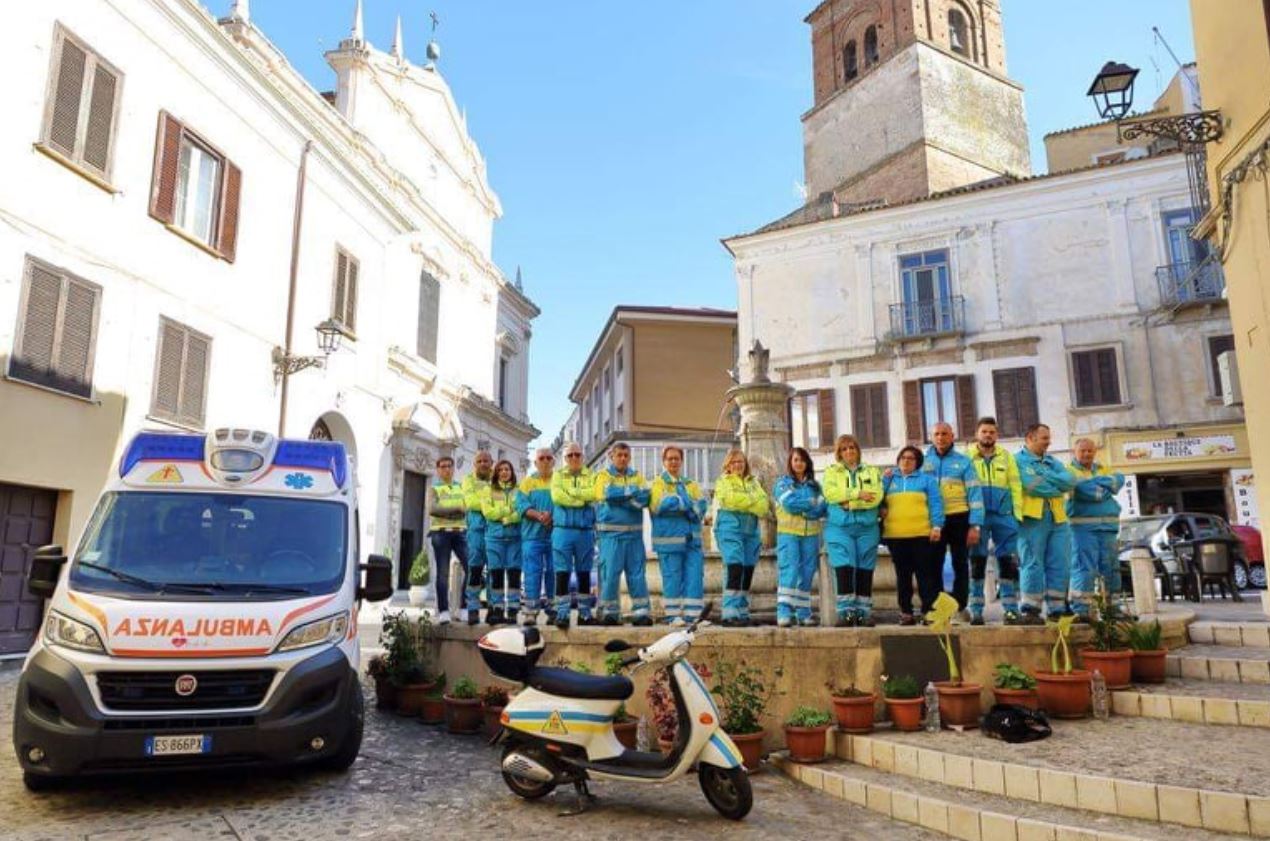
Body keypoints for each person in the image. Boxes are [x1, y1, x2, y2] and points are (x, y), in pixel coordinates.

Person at [1015, 423, 1078, 622]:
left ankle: (1057, 608)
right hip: (1032, 519)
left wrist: (1045, 476)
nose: (1049, 442)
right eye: (1044, 438)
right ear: (1030, 438)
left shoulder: (1052, 461)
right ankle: (1030, 609)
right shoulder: (1018, 461)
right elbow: (1033, 487)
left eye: (1049, 438)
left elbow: (1071, 481)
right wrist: (1057, 484)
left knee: (1060, 563)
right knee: (1032, 563)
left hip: (1058, 518)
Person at [923, 422, 984, 618]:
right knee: (933, 564)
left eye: (944, 434)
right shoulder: (923, 461)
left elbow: (975, 494)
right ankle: (938, 607)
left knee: (960, 564)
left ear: (952, 436)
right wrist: (890, 475)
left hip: (959, 518)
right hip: (934, 520)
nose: (940, 437)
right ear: (931, 437)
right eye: (936, 434)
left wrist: (975, 526)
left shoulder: (964, 462)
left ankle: (959, 606)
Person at [822, 434, 884, 626]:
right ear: (839, 453)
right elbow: (831, 494)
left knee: (866, 568)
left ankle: (864, 614)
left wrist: (850, 504)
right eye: (844, 449)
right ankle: (846, 614)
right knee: (844, 567)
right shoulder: (831, 472)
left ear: (858, 450)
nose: (849, 451)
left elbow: (876, 496)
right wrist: (858, 494)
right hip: (839, 528)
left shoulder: (872, 471)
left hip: (867, 527)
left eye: (852, 447)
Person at [967, 417, 1024, 625]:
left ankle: (1011, 610)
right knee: (977, 561)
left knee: (1008, 562)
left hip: (1004, 516)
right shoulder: (966, 457)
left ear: (996, 435)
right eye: (984, 431)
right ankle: (976, 610)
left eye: (992, 432)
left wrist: (1017, 515)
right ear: (977, 434)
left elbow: (1015, 485)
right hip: (978, 517)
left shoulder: (1006, 457)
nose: (988, 435)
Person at [881, 445, 944, 625]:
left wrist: (937, 526)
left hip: (921, 535)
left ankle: (928, 612)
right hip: (896, 536)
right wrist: (881, 506)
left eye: (911, 458)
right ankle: (906, 612)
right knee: (903, 577)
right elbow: (877, 499)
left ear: (918, 462)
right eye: (903, 458)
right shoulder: (889, 479)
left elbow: (936, 504)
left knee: (925, 575)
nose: (906, 461)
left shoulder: (927, 480)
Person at [649, 446, 708, 625]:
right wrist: (687, 503)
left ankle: (694, 616)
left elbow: (702, 507)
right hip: (669, 541)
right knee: (672, 578)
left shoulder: (691, 484)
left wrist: (678, 502)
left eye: (676, 458)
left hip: (692, 540)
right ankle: (672, 616)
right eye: (670, 458)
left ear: (681, 461)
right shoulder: (658, 483)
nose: (673, 461)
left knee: (695, 577)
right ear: (664, 461)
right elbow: (658, 506)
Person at [1067, 438, 1125, 619]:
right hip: (1082, 530)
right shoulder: (1069, 471)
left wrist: (1095, 483)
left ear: (1095, 451)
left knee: (1112, 569)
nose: (1086, 454)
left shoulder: (1103, 467)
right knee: (1084, 569)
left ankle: (1113, 609)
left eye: (1090, 450)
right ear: (1074, 452)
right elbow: (1087, 491)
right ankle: (1081, 610)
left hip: (1108, 528)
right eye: (1082, 451)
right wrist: (1104, 487)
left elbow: (1119, 479)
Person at [595, 442, 652, 626]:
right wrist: (631, 494)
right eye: (619, 455)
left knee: (637, 575)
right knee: (610, 575)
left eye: (626, 455)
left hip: (634, 536)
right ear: (611, 456)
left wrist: (621, 499)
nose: (623, 458)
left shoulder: (637, 476)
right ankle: (610, 613)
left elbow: (645, 498)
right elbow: (606, 494)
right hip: (611, 536)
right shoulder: (603, 476)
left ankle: (641, 613)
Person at [713, 448, 770, 627]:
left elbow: (764, 506)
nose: (738, 465)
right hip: (730, 528)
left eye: (741, 461)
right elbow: (728, 500)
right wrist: (751, 501)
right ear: (728, 465)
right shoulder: (723, 481)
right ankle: (729, 612)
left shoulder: (754, 482)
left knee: (747, 570)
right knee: (735, 567)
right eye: (734, 462)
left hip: (750, 532)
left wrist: (743, 501)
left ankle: (742, 611)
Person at [772, 447, 827, 627]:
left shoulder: (815, 486)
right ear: (790, 462)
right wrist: (810, 503)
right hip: (789, 534)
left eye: (802, 460)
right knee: (790, 571)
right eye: (796, 460)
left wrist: (807, 509)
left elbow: (822, 508)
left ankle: (803, 613)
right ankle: (784, 612)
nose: (799, 463)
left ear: (807, 463)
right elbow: (789, 504)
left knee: (807, 573)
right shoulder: (782, 483)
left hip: (811, 535)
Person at [549, 442, 596, 630]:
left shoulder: (590, 474)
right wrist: (581, 499)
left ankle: (585, 613)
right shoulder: (558, 475)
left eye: (577, 455)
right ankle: (562, 613)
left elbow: (593, 494)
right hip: (563, 530)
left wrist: (572, 493)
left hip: (585, 530)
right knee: (562, 572)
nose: (574, 458)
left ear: (582, 457)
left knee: (584, 572)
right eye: (570, 455)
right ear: (565, 458)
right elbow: (557, 497)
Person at [516, 448, 555, 626]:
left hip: (554, 535)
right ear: (535, 462)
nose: (545, 461)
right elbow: (521, 505)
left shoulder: (558, 481)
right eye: (541, 458)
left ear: (553, 461)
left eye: (548, 458)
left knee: (554, 572)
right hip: (532, 536)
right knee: (532, 573)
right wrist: (540, 516)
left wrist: (552, 517)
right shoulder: (527, 483)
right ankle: (530, 612)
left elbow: (563, 502)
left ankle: (553, 610)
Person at [480, 460, 522, 626]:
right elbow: (488, 512)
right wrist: (507, 510)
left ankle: (512, 610)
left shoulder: (519, 490)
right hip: (494, 539)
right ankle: (497, 609)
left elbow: (521, 511)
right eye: (501, 470)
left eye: (507, 469)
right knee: (496, 575)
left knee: (514, 575)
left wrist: (509, 519)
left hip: (515, 539)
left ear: (512, 472)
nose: (504, 472)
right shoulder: (488, 490)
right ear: (496, 473)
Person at [427, 455, 468, 625]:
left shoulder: (460, 487)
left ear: (453, 468)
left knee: (472, 568)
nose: (446, 469)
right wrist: (455, 510)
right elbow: (432, 509)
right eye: (443, 466)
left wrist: (447, 511)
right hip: (440, 533)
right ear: (438, 470)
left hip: (460, 533)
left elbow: (465, 509)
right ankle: (444, 611)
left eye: (449, 466)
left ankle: (463, 607)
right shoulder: (434, 489)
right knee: (443, 573)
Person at [461, 450, 494, 625]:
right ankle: (472, 608)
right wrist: (491, 504)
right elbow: (471, 502)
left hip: (495, 532)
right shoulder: (468, 480)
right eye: (479, 461)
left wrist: (481, 500)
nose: (483, 464)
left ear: (491, 463)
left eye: (486, 461)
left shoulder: (497, 480)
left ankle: (492, 609)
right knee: (474, 570)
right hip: (476, 532)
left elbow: (503, 500)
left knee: (494, 572)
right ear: (474, 464)